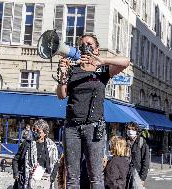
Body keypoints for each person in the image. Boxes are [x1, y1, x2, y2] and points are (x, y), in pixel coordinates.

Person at [56, 34, 130, 189]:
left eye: (89, 44)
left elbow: (125, 62)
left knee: (95, 176)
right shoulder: (73, 70)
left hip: (94, 126)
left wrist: (101, 60)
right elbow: (61, 95)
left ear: (96, 49)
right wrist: (63, 74)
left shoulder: (102, 70)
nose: (85, 46)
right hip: (72, 127)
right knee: (72, 176)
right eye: (82, 44)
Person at [12, 119, 59, 189]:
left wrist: (52, 178)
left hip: (44, 181)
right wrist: (16, 174)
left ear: (45, 133)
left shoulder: (52, 146)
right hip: (27, 181)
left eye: (38, 131)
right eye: (34, 130)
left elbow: (55, 163)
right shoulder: (27, 143)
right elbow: (15, 160)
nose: (35, 133)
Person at [126, 122, 150, 189]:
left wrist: (142, 178)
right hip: (125, 174)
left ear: (137, 131)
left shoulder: (142, 142)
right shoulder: (124, 142)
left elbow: (146, 161)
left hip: (137, 174)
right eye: (128, 129)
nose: (130, 131)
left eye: (133, 129)